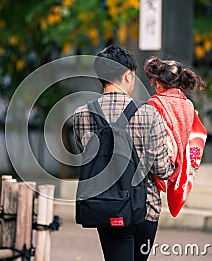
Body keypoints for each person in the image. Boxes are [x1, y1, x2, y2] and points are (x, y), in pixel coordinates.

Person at [73, 45, 175, 261]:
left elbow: (89, 156)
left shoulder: (82, 115)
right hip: (144, 209)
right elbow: (162, 169)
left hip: (104, 205)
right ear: (128, 75)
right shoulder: (148, 114)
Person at [144, 56, 208, 217]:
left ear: (158, 83)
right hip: (177, 162)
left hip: (155, 165)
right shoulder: (188, 104)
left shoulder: (155, 102)